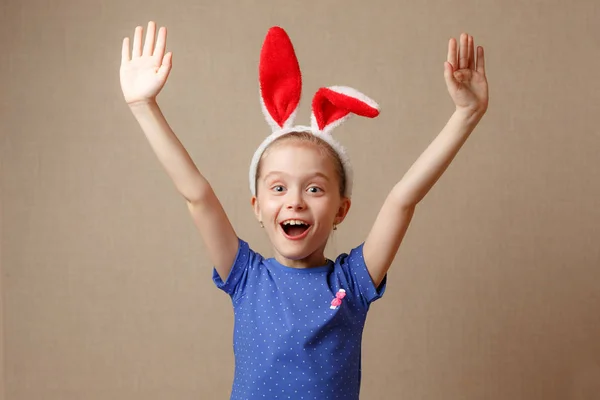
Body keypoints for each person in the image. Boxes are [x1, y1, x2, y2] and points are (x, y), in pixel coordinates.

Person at [119, 21, 488, 400]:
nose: (294, 200)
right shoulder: (246, 276)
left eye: (314, 188)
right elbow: (197, 195)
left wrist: (466, 115)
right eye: (278, 187)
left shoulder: (353, 282)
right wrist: (144, 107)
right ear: (258, 207)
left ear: (341, 210)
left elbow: (403, 199)